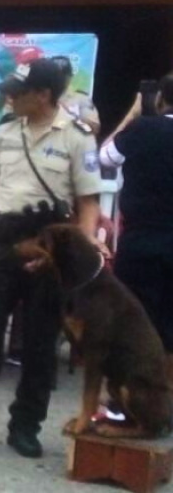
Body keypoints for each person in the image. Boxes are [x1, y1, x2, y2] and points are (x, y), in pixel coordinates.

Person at [0, 58, 107, 459]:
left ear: (44, 95)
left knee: (38, 344)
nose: (10, 99)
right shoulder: (4, 133)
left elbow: (87, 202)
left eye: (18, 93)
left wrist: (81, 249)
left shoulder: (76, 137)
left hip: (51, 248)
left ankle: (26, 426)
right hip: (2, 243)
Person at [99, 73, 173, 385]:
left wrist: (132, 117)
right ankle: (166, 395)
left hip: (141, 239)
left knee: (132, 316)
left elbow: (105, 156)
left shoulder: (144, 129)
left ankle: (128, 393)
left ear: (159, 98)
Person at [51, 56, 101, 136]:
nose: (58, 79)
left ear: (70, 77)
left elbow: (92, 129)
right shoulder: (38, 98)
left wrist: (69, 115)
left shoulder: (81, 99)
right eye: (54, 76)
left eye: (62, 76)